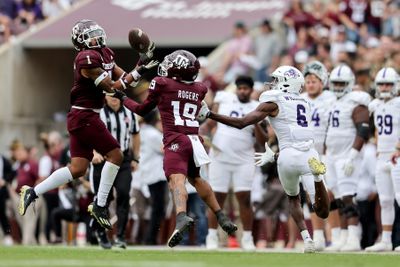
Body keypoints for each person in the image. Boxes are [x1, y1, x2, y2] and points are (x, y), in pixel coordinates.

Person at [18, 19, 157, 230]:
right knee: (117, 155)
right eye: (91, 35)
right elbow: (112, 88)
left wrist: (141, 63)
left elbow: (128, 81)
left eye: (97, 33)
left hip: (82, 116)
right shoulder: (86, 58)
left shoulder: (105, 52)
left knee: (77, 168)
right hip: (85, 117)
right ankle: (100, 205)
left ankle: (32, 192)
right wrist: (139, 71)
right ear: (81, 41)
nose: (96, 37)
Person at [197, 66, 330, 253]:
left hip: (288, 156)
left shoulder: (274, 100)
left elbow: (242, 123)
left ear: (286, 82)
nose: (273, 84)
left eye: (277, 80)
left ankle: (307, 239)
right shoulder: (304, 102)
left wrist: (211, 114)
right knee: (322, 211)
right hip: (310, 154)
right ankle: (317, 179)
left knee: (293, 199)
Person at [112, 49, 237, 248]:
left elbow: (142, 110)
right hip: (195, 139)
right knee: (196, 179)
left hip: (175, 139)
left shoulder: (162, 84)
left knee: (176, 180)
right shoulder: (200, 88)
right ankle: (220, 214)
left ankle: (181, 216)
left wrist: (123, 97)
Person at [199, 75, 267, 250]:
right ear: (236, 89)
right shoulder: (225, 101)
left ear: (251, 91)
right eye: (240, 88)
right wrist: (202, 133)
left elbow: (262, 140)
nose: (243, 91)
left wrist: (257, 123)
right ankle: (212, 236)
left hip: (244, 159)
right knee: (216, 198)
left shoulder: (256, 107)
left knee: (244, 199)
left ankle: (247, 238)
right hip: (220, 157)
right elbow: (209, 124)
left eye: (246, 88)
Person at [324, 64, 371, 251]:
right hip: (332, 155)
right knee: (336, 198)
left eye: (342, 83)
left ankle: (353, 237)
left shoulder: (356, 101)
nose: (338, 86)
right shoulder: (332, 101)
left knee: (348, 197)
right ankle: (342, 237)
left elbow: (363, 130)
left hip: (347, 155)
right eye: (335, 83)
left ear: (350, 83)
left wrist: (353, 155)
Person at [89, 94, 140, 249]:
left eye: (117, 94)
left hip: (123, 160)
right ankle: (101, 232)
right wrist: (93, 153)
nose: (114, 97)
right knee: (104, 197)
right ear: (105, 95)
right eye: (111, 94)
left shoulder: (129, 113)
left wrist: (136, 158)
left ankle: (120, 236)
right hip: (102, 159)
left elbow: (136, 134)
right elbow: (87, 134)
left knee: (124, 194)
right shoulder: (97, 113)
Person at [301, 61, 335, 251]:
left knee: (332, 194)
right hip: (308, 153)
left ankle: (337, 235)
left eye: (314, 80)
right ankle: (319, 236)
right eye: (308, 81)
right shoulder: (301, 98)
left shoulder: (330, 98)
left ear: (322, 81)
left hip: (327, 152)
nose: (311, 84)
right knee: (311, 195)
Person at [367, 67, 400, 252]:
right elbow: (377, 130)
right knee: (385, 200)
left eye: (389, 83)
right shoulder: (375, 104)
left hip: (397, 155)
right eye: (382, 84)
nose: (385, 87)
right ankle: (386, 239)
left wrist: (397, 148)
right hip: (382, 156)